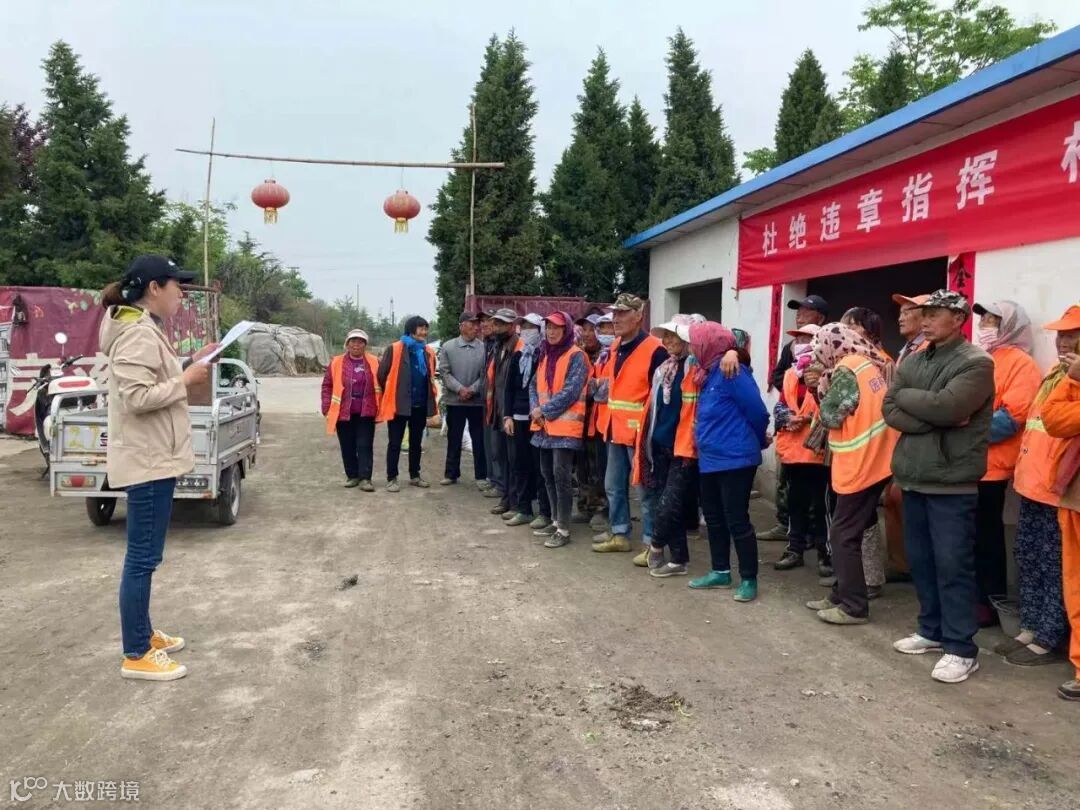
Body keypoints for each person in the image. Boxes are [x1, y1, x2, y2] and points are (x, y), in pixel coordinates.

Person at [99, 255, 217, 681]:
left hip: (154, 457)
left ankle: (144, 634)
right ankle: (136, 653)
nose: (181, 293)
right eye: (176, 285)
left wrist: (188, 363)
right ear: (154, 288)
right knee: (142, 558)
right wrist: (184, 381)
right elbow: (137, 398)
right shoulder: (136, 333)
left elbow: (152, 379)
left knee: (147, 556)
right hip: (147, 460)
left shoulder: (145, 327)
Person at [883, 290, 995, 684]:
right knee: (922, 561)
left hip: (951, 481)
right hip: (913, 476)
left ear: (958, 319)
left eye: (934, 314)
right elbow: (889, 407)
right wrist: (928, 412)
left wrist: (918, 403)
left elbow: (950, 408)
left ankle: (961, 648)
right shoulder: (916, 359)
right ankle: (931, 630)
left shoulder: (976, 362)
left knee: (952, 565)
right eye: (924, 313)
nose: (925, 320)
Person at [803, 323, 898, 626]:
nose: (816, 355)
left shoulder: (846, 369)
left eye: (818, 348)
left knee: (843, 535)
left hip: (861, 464)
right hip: (876, 460)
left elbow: (831, 415)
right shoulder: (866, 364)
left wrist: (821, 386)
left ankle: (854, 606)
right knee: (849, 531)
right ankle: (840, 594)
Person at [1004, 306, 1079, 669]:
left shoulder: (1071, 381)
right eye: (1061, 335)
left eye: (1072, 335)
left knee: (1054, 567)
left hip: (1057, 490)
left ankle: (1049, 637)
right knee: (1029, 557)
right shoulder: (1054, 374)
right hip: (1031, 485)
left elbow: (1059, 424)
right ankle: (1031, 626)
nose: (1063, 342)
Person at [971, 301, 1041, 629]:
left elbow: (1011, 418)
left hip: (993, 466)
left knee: (986, 537)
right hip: (966, 462)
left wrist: (962, 429)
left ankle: (988, 602)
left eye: (992, 320)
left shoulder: (1021, 364)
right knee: (967, 536)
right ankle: (971, 598)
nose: (984, 326)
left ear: (1010, 325)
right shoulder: (980, 357)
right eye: (983, 320)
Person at [688, 322, 768, 601]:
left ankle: (748, 578)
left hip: (736, 459)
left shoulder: (732, 372)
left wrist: (757, 440)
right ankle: (720, 571)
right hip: (710, 459)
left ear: (708, 345)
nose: (691, 349)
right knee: (713, 518)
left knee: (737, 519)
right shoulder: (707, 373)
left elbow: (758, 412)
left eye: (695, 343)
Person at [593, 294, 668, 555]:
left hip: (640, 434)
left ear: (638, 316)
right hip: (614, 429)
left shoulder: (656, 350)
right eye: (615, 313)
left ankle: (651, 544)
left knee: (646, 491)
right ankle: (619, 533)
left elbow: (661, 396)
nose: (616, 318)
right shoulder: (615, 346)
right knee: (613, 486)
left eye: (623, 313)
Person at [633, 315, 701, 577]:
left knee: (668, 503)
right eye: (667, 336)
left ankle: (656, 545)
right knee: (669, 504)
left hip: (683, 448)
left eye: (674, 335)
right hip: (659, 445)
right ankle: (679, 560)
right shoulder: (665, 368)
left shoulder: (697, 367)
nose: (669, 340)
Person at [760, 294, 830, 542]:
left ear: (820, 318)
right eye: (798, 311)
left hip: (817, 446)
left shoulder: (828, 355)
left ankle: (817, 542)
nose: (799, 315)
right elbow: (778, 377)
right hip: (792, 440)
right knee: (790, 490)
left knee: (818, 498)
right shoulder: (791, 350)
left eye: (805, 311)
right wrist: (791, 407)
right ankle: (789, 530)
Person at [1038, 331, 1080, 701]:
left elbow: (1060, 419)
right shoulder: (1069, 379)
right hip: (1073, 495)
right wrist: (1073, 380)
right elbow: (1053, 419)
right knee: (1075, 583)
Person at [530, 311, 590, 548]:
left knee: (561, 476)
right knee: (547, 474)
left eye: (556, 328)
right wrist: (535, 408)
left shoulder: (577, 356)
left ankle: (563, 529)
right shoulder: (545, 354)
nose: (551, 332)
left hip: (565, 427)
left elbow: (571, 391)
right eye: (548, 327)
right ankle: (555, 521)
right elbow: (534, 385)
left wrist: (544, 410)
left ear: (566, 330)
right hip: (545, 426)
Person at [772, 324, 829, 574]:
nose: (801, 343)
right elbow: (781, 404)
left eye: (807, 338)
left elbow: (833, 408)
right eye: (799, 338)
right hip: (794, 451)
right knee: (795, 503)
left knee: (821, 507)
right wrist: (786, 417)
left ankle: (825, 555)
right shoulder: (791, 374)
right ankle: (794, 549)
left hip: (818, 452)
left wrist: (807, 419)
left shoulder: (828, 372)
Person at [883, 293, 931, 582]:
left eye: (908, 311)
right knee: (893, 502)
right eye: (900, 312)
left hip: (915, 440)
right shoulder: (907, 349)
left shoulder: (928, 350)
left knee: (905, 501)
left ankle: (914, 566)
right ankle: (902, 565)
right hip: (898, 439)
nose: (901, 317)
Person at [378, 315, 439, 491]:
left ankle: (415, 475)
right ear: (411, 330)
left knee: (416, 442)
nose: (424, 332)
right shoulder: (395, 349)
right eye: (421, 328)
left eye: (426, 329)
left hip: (420, 404)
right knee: (395, 443)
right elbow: (382, 374)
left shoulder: (427, 351)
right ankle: (392, 478)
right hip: (398, 404)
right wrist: (394, 392)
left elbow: (430, 374)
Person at [502, 314, 552, 529]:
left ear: (540, 330)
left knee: (540, 467)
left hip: (538, 419)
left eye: (532, 327)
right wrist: (507, 415)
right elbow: (508, 389)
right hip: (518, 418)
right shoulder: (519, 356)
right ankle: (523, 509)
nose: (527, 330)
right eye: (524, 326)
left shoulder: (546, 356)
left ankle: (545, 512)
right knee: (519, 464)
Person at [322, 328, 382, 491]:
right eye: (353, 341)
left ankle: (365, 478)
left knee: (365, 445)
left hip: (366, 411)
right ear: (347, 344)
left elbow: (383, 382)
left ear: (365, 345)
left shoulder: (374, 362)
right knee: (347, 445)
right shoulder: (336, 362)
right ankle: (352, 476)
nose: (356, 344)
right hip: (343, 412)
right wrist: (326, 407)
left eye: (360, 342)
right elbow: (327, 385)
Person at [438, 312, 487, 486]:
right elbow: (444, 372)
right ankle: (451, 474)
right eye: (471, 324)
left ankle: (481, 476)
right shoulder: (448, 347)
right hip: (455, 401)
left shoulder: (484, 348)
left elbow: (485, 374)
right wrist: (460, 389)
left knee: (479, 439)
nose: (476, 327)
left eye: (476, 324)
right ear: (461, 326)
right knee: (454, 438)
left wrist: (472, 390)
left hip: (477, 401)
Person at [484, 308, 523, 516]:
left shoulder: (519, 347)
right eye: (496, 323)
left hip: (513, 414)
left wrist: (511, 413)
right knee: (503, 457)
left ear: (511, 326)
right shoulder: (498, 346)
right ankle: (507, 498)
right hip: (499, 410)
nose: (497, 328)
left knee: (515, 460)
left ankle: (516, 503)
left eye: (501, 324)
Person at [574, 313, 607, 524]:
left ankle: (600, 509)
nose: (587, 334)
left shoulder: (606, 355)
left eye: (592, 329)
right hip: (580, 419)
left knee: (598, 467)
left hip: (600, 420)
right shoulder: (579, 355)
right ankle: (584, 506)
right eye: (584, 329)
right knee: (582, 465)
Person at [587, 313, 616, 531]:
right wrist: (597, 385)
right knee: (599, 469)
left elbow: (606, 389)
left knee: (612, 475)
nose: (605, 332)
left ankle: (612, 516)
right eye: (602, 328)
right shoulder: (602, 356)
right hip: (599, 421)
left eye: (609, 328)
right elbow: (591, 386)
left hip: (614, 423)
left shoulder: (618, 353)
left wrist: (597, 385)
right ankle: (604, 510)